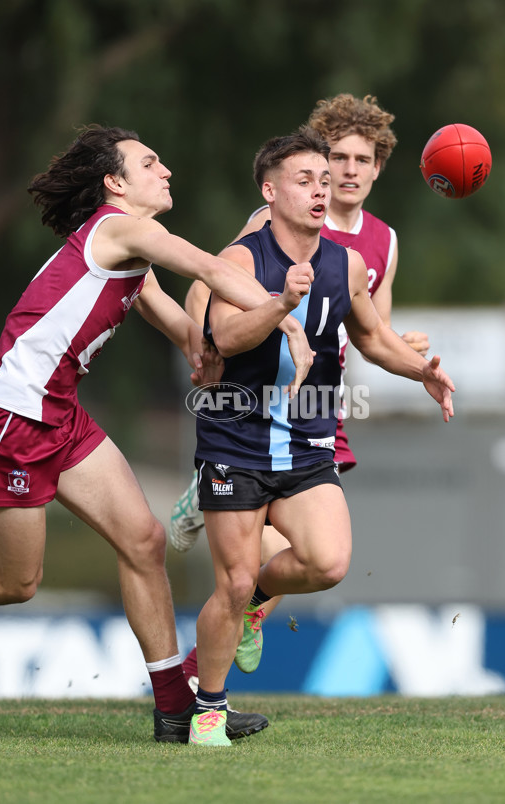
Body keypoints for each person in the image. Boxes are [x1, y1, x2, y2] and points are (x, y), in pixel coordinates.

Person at [0, 125, 314, 744]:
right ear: (115, 183)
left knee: (143, 539)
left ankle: (174, 711)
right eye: (149, 163)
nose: (165, 171)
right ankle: (176, 706)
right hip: (15, 417)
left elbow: (171, 317)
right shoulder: (122, 227)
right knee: (14, 582)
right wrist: (283, 317)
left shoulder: (130, 252)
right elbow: (210, 268)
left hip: (59, 413)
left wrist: (204, 350)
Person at [187, 126, 454, 746]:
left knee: (328, 562)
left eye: (325, 181)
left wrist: (424, 373)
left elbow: (372, 337)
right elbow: (223, 338)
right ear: (270, 190)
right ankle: (207, 710)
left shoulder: (348, 262)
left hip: (308, 440)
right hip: (235, 438)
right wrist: (280, 305)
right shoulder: (243, 259)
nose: (320, 190)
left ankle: (250, 599)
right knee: (228, 582)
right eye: (306, 179)